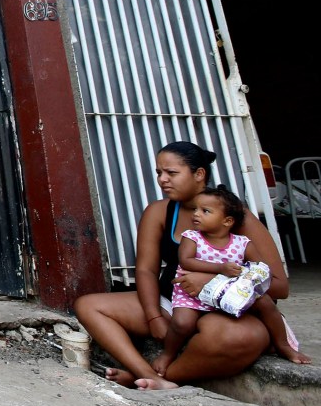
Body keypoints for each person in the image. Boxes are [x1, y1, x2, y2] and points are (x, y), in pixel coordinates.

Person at [74, 141, 292, 390]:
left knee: (240, 339)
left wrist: (213, 282)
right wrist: (153, 315)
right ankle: (148, 375)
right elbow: (146, 270)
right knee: (89, 306)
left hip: (228, 311)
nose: (162, 180)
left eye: (172, 173)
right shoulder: (159, 212)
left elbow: (279, 286)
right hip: (176, 304)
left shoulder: (235, 216)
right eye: (159, 173)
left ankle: (164, 379)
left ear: (199, 174)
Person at [151, 185, 310, 375]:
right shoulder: (191, 237)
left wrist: (243, 277)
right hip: (193, 294)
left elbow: (261, 270)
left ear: (227, 221)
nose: (196, 214)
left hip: (228, 293)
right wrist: (221, 269)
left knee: (266, 304)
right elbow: (186, 262)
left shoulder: (242, 243)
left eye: (205, 211)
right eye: (195, 209)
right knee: (182, 323)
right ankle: (168, 354)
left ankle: (283, 345)